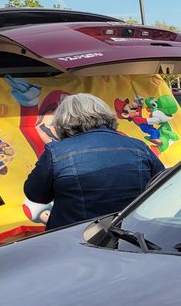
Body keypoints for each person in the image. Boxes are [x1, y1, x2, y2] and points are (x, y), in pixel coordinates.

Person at [23, 93, 164, 230]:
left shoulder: (56, 152)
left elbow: (35, 194)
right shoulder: (138, 146)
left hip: (76, 238)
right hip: (132, 234)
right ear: (106, 115)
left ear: (63, 121)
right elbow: (163, 187)